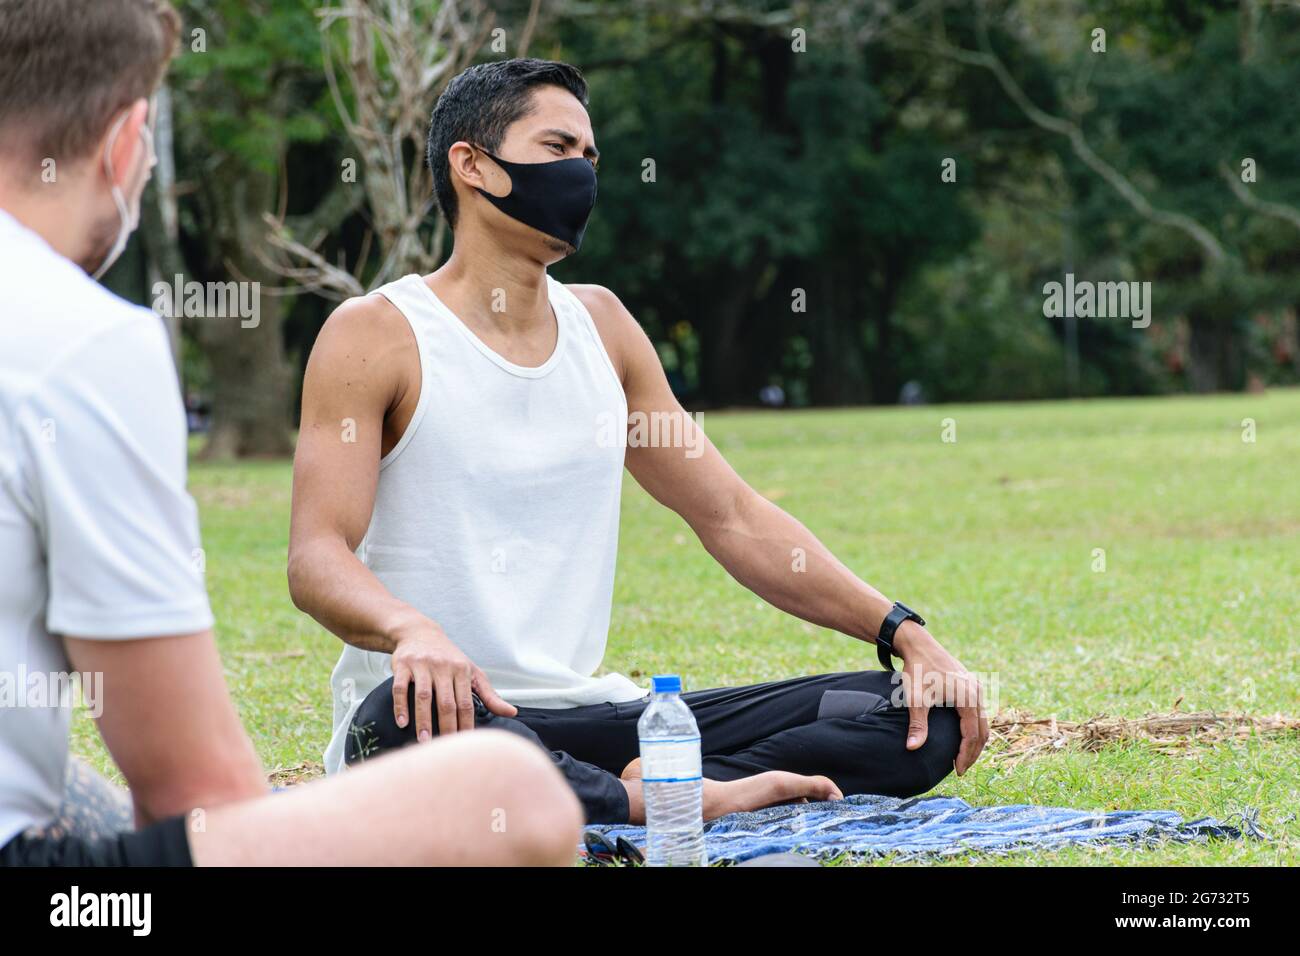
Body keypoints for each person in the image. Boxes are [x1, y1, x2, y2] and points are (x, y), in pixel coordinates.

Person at [289, 57, 990, 826]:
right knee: (392, 721)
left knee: (920, 712)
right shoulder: (376, 334)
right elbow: (317, 556)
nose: (584, 174)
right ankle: (650, 794)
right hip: (442, 716)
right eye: (559, 150)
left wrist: (903, 630)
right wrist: (411, 630)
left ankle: (645, 788)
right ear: (473, 166)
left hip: (590, 717)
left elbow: (732, 516)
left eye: (591, 158)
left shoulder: (604, 329)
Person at [0, 0, 581, 867]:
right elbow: (194, 791)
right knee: (511, 788)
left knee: (82, 793)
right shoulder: (84, 337)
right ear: (127, 142)